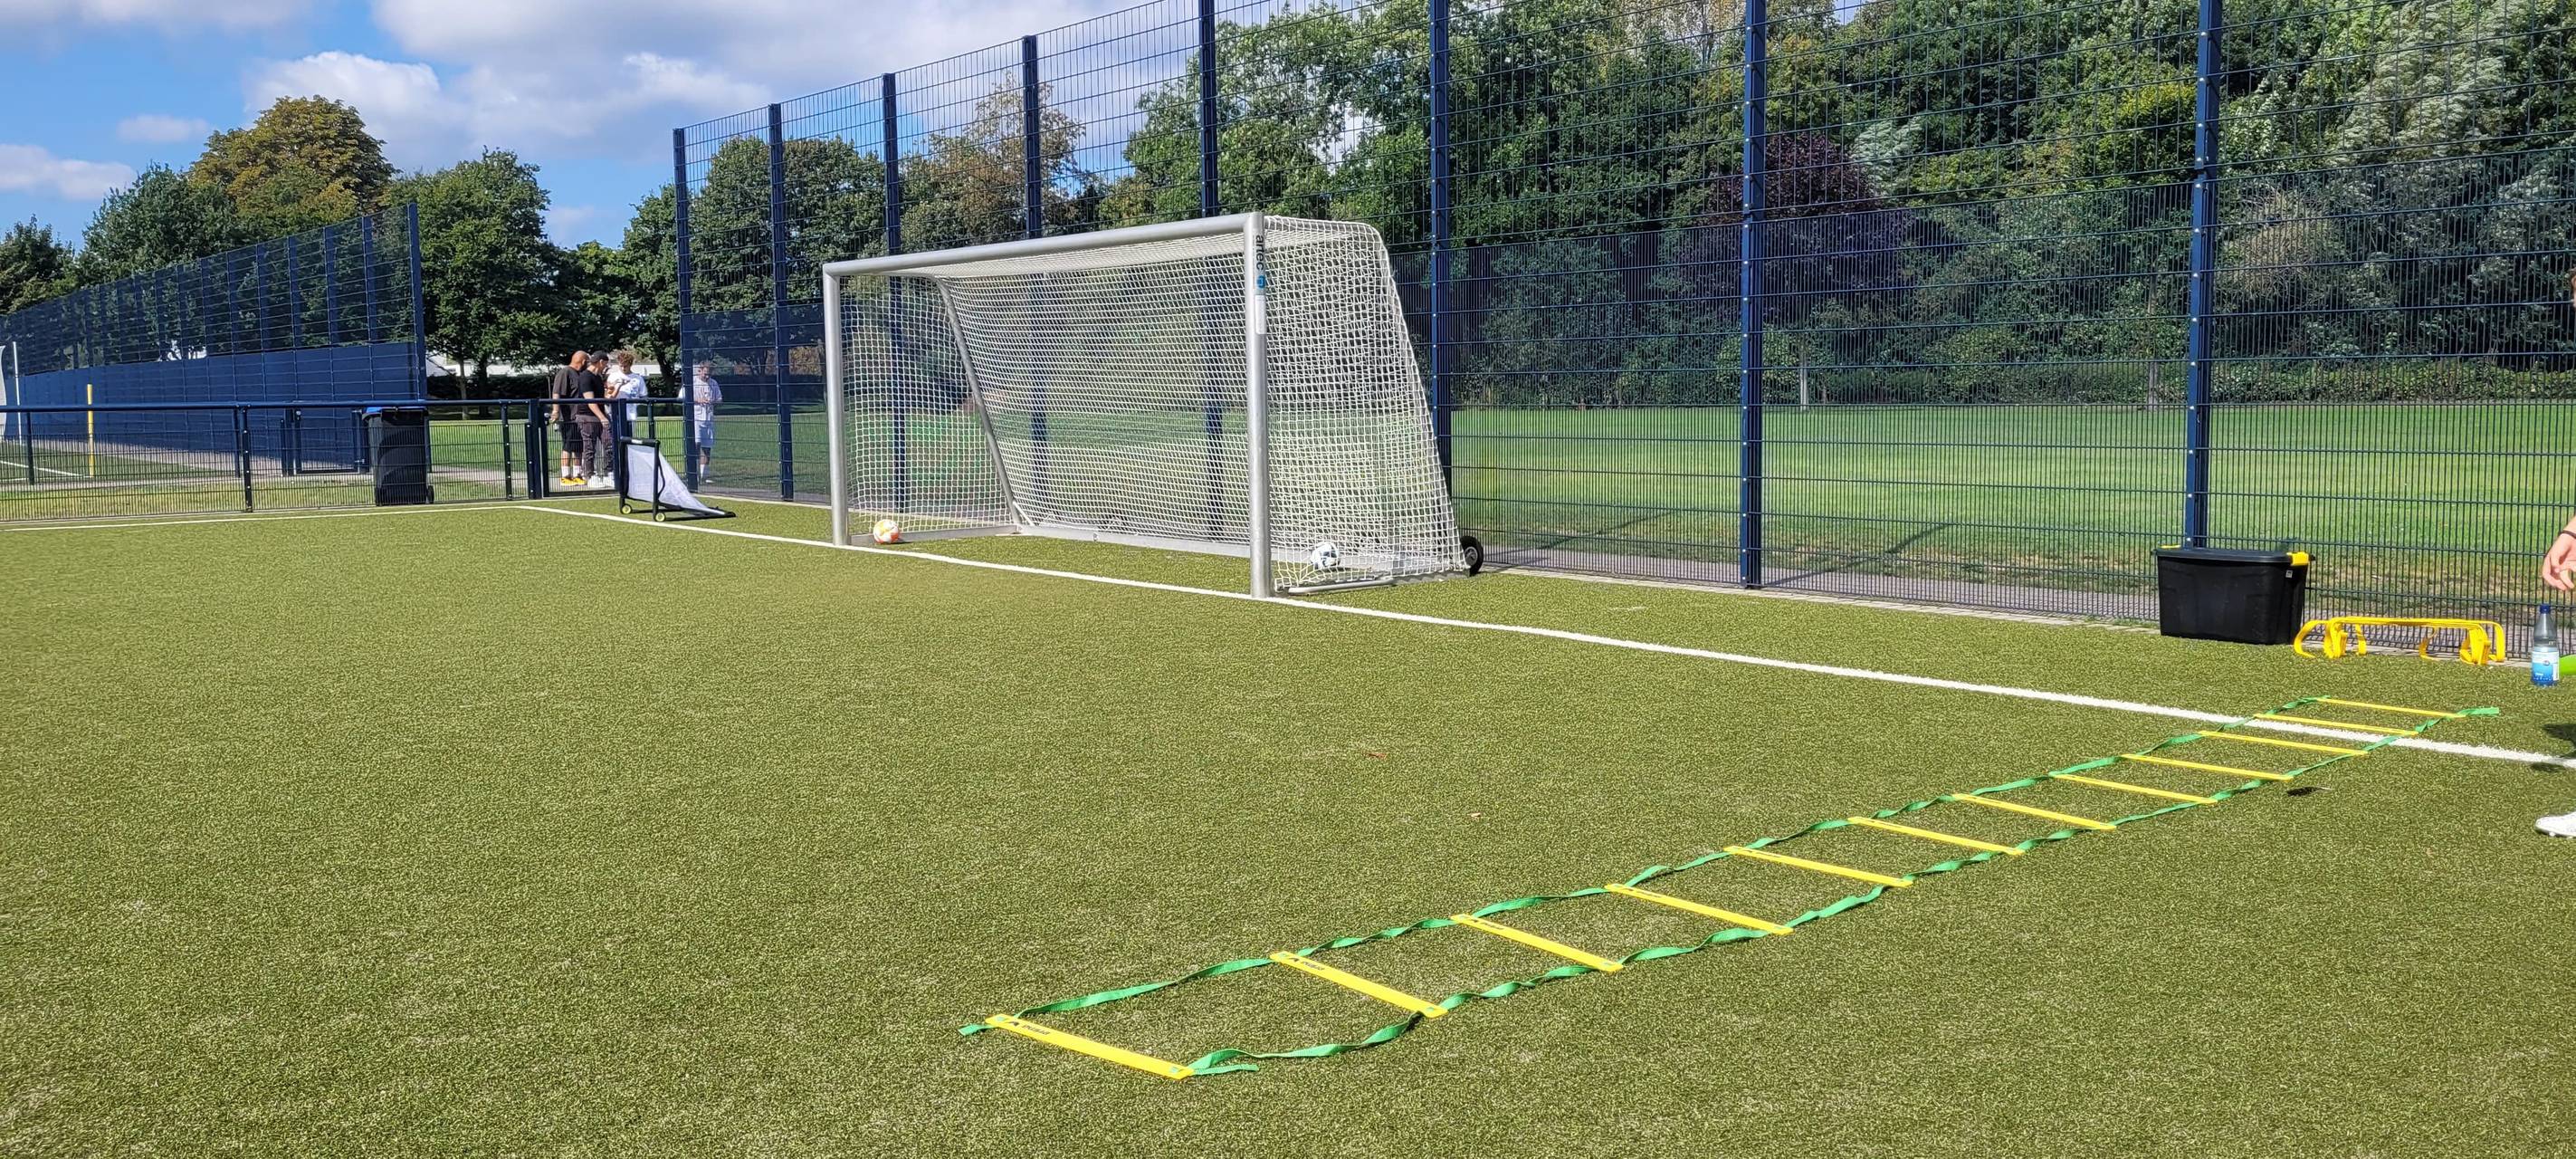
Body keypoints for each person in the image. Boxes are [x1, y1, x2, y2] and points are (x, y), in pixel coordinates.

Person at [549, 351, 593, 485]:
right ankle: (565, 476)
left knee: (579, 446)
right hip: (568, 417)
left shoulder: (582, 374)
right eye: (587, 362)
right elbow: (556, 393)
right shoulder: (565, 372)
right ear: (583, 361)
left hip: (580, 416)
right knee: (568, 445)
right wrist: (556, 410)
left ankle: (578, 474)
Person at [688, 362, 721, 481]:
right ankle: (694, 474)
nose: (707, 377)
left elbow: (719, 399)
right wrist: (698, 400)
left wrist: (713, 401)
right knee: (696, 445)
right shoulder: (692, 382)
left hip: (709, 418)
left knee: (707, 448)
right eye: (705, 374)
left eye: (709, 374)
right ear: (700, 371)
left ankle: (704, 476)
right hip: (696, 418)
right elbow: (682, 397)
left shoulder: (713, 383)